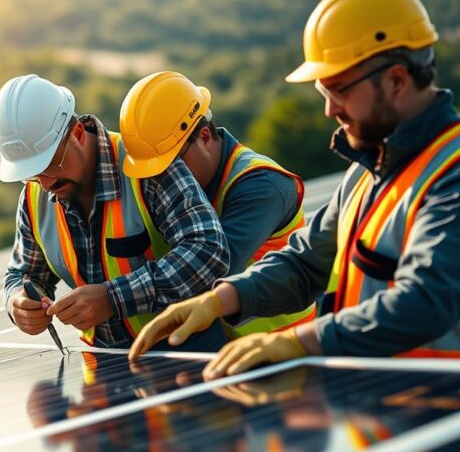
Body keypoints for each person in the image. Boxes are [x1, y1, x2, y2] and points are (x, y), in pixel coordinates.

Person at [129, 0, 460, 375]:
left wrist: (301, 341)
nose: (329, 109)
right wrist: (222, 298)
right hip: (395, 407)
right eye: (323, 91)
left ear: (397, 80)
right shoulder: (366, 173)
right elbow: (306, 263)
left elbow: (426, 300)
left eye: (338, 90)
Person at [0, 74, 229, 350]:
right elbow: (23, 274)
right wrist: (18, 301)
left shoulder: (146, 166)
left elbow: (209, 250)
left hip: (191, 355)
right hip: (105, 366)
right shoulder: (35, 196)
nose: (45, 184)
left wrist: (112, 298)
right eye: (31, 174)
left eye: (49, 165)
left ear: (78, 133)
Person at [119, 71, 316, 338]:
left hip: (285, 353)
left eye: (173, 163)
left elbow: (206, 272)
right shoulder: (181, 191)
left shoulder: (261, 186)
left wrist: (113, 297)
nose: (165, 178)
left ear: (203, 136)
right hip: (223, 356)